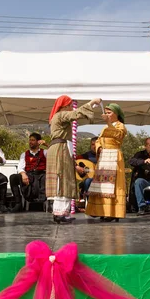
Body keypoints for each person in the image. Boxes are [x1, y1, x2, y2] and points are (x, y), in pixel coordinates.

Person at [46, 95, 99, 224]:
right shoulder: (61, 114)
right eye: (69, 105)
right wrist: (91, 103)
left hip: (58, 148)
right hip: (61, 149)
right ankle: (61, 212)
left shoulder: (56, 116)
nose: (71, 107)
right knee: (64, 178)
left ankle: (59, 211)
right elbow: (75, 114)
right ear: (64, 105)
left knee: (61, 178)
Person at [86, 104, 128, 222]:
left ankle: (113, 212)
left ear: (116, 114)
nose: (107, 115)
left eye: (109, 113)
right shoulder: (104, 127)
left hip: (114, 156)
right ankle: (101, 211)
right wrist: (99, 148)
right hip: (104, 156)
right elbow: (98, 140)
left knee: (112, 185)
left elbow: (118, 135)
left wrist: (109, 123)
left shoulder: (121, 126)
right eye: (106, 113)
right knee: (103, 185)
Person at [9, 133, 48, 212]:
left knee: (45, 178)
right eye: (30, 140)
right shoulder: (24, 154)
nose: (30, 142)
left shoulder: (45, 152)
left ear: (38, 142)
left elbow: (56, 153)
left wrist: (46, 144)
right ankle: (18, 203)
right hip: (28, 175)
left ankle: (46, 203)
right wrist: (23, 174)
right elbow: (20, 168)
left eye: (33, 140)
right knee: (13, 177)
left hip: (41, 175)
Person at [76, 137, 98, 202]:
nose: (94, 146)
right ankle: (87, 200)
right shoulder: (86, 156)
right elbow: (73, 161)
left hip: (101, 179)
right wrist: (77, 167)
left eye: (96, 144)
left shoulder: (104, 156)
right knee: (88, 181)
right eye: (92, 144)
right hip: (88, 179)